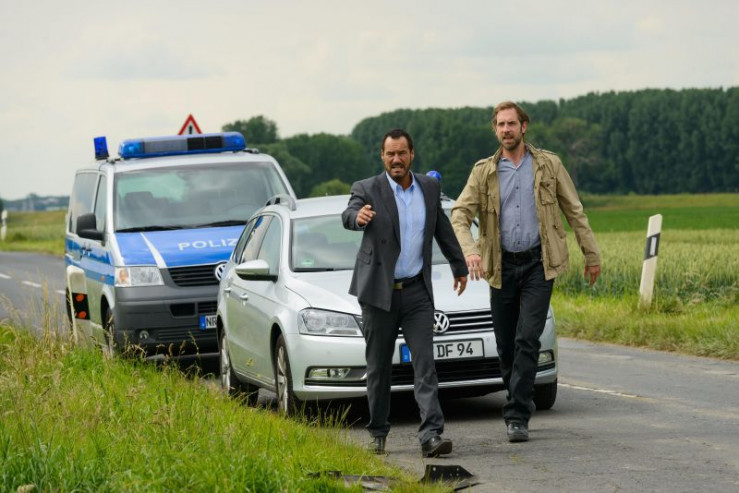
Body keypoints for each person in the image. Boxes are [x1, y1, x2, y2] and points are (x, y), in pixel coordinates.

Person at [451, 101, 601, 443]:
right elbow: (459, 214)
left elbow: (574, 211)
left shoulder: (549, 165)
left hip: (538, 263)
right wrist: (471, 251)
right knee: (506, 345)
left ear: (524, 126)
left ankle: (517, 414)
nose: (506, 130)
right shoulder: (484, 171)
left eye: (511, 123)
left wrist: (591, 254)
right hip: (501, 266)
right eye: (500, 124)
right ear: (495, 130)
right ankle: (520, 395)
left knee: (527, 338)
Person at [342, 128, 469, 457]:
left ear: (412, 154)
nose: (396, 159)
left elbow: (442, 228)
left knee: (425, 365)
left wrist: (459, 265)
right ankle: (378, 431)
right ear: (382, 156)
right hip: (379, 293)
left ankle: (431, 435)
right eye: (390, 154)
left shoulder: (429, 187)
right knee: (379, 367)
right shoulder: (367, 189)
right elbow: (349, 214)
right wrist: (358, 217)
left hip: (416, 291)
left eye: (401, 153)